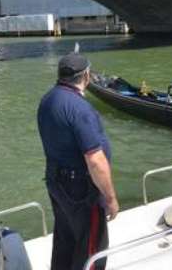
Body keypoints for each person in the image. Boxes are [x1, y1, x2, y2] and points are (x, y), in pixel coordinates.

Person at [37, 53, 119, 270]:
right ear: (86, 76)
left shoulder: (47, 100)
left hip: (57, 182)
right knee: (92, 248)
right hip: (81, 190)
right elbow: (95, 161)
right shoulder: (80, 109)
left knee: (66, 239)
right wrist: (110, 198)